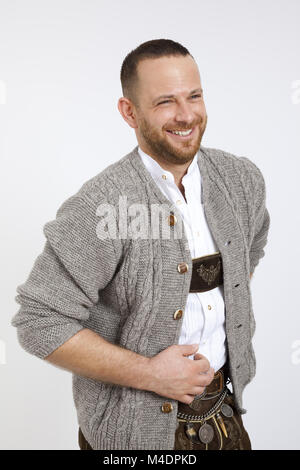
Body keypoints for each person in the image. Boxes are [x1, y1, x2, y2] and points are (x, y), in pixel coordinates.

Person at [11, 39, 270, 450]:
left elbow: (253, 239)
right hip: (134, 437)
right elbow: (39, 321)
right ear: (129, 112)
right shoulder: (101, 205)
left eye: (194, 96)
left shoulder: (240, 180)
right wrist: (150, 373)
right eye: (166, 101)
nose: (186, 115)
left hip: (225, 416)